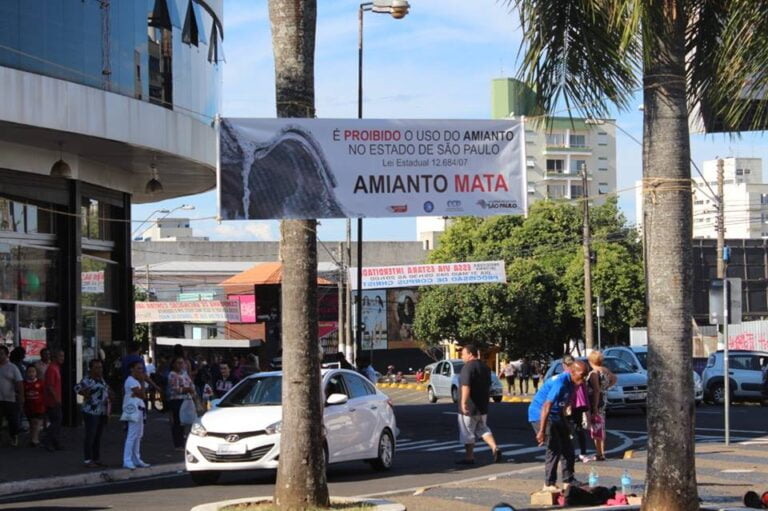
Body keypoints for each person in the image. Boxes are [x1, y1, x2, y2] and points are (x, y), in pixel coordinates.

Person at [528, 359, 588, 491]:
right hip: (540, 414)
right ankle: (549, 484)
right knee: (554, 448)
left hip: (555, 414)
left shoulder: (574, 383)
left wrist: (566, 426)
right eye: (582, 375)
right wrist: (542, 431)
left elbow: (562, 407)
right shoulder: (560, 383)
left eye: (586, 376)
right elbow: (546, 406)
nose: (584, 379)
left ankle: (569, 479)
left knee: (568, 446)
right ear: (572, 372)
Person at [456, 344, 502, 465]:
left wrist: (463, 402)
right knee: (482, 428)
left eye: (463, 354)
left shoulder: (467, 368)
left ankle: (469, 457)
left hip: (470, 406)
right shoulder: (485, 367)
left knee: (467, 432)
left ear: (470, 354)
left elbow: (466, 385)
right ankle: (494, 447)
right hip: (482, 405)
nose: (462, 357)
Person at [75, 359, 112, 468]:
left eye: (100, 367)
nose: (99, 369)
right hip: (91, 411)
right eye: (96, 367)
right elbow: (77, 388)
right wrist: (85, 393)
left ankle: (96, 458)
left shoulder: (101, 379)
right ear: (91, 368)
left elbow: (106, 390)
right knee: (90, 436)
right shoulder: (88, 380)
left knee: (97, 436)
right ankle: (87, 460)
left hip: (101, 411)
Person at [587, 350, 616, 461]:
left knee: (597, 426)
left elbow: (596, 390)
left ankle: (600, 452)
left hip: (597, 401)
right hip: (604, 399)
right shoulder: (605, 370)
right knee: (601, 424)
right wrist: (606, 387)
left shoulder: (594, 373)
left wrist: (594, 406)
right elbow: (614, 379)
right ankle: (600, 452)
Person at [122, 361, 150, 469]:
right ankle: (127, 459)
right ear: (132, 369)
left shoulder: (136, 381)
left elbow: (141, 394)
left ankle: (136, 458)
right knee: (132, 435)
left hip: (139, 408)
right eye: (138, 368)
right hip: (132, 409)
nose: (141, 371)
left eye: (142, 369)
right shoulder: (130, 381)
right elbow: (142, 395)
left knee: (138, 435)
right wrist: (142, 382)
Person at [167, 355, 194, 450]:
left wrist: (191, 389)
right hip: (176, 400)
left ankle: (182, 441)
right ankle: (178, 444)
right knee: (177, 422)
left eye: (182, 363)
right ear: (174, 364)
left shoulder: (184, 373)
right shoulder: (172, 374)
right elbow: (175, 389)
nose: (181, 365)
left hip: (186, 399)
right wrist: (187, 389)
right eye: (178, 363)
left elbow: (190, 382)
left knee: (183, 422)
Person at [0, 345, 23, 446]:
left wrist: (21, 396)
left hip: (10, 399)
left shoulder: (12, 367)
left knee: (13, 420)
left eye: (1, 354)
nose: (0, 356)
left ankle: (14, 436)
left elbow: (19, 382)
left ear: (6, 355)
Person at [42, 349, 64, 451]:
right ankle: (48, 441)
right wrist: (57, 400)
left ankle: (56, 443)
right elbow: (50, 387)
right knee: (56, 422)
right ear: (55, 357)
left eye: (63, 356)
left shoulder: (56, 368)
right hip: (52, 401)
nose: (62, 358)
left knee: (57, 422)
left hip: (55, 399)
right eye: (60, 356)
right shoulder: (52, 369)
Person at [23, 365, 45, 447]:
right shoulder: (24, 383)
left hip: (39, 407)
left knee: (37, 422)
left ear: (36, 373)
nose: (31, 374)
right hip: (28, 407)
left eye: (33, 371)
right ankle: (33, 438)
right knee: (32, 423)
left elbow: (44, 393)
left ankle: (35, 440)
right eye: (29, 372)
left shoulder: (40, 383)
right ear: (26, 373)